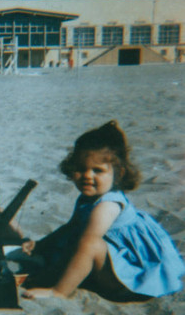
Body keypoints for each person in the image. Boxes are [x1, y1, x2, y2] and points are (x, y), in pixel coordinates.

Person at [23, 120, 185, 300]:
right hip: (113, 261)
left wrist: (56, 289)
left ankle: (60, 291)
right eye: (80, 169)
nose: (87, 176)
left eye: (97, 171)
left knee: (89, 243)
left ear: (119, 173)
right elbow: (71, 227)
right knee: (75, 238)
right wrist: (40, 245)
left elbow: (88, 244)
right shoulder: (87, 198)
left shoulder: (107, 206)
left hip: (130, 279)